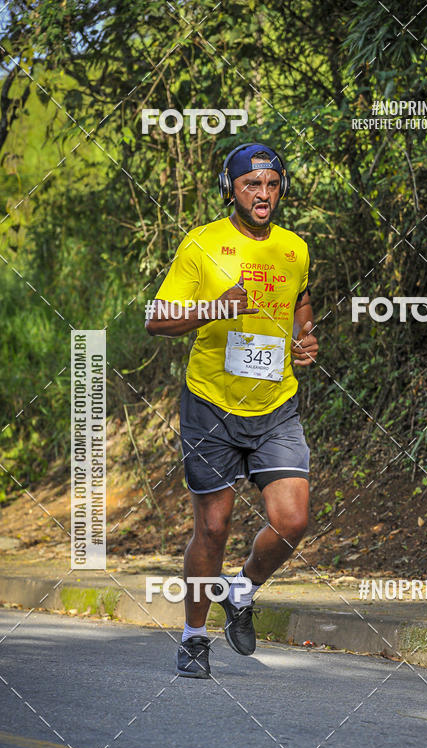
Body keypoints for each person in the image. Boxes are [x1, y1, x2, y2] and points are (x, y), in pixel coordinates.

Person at [145, 143, 318, 679]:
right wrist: (215, 307)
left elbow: (300, 300)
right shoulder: (202, 244)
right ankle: (194, 638)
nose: (263, 194)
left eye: (272, 185)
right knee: (214, 527)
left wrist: (304, 335)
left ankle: (241, 590)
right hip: (211, 404)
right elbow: (156, 318)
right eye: (252, 185)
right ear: (231, 189)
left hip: (276, 403)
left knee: (292, 520)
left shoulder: (294, 248)